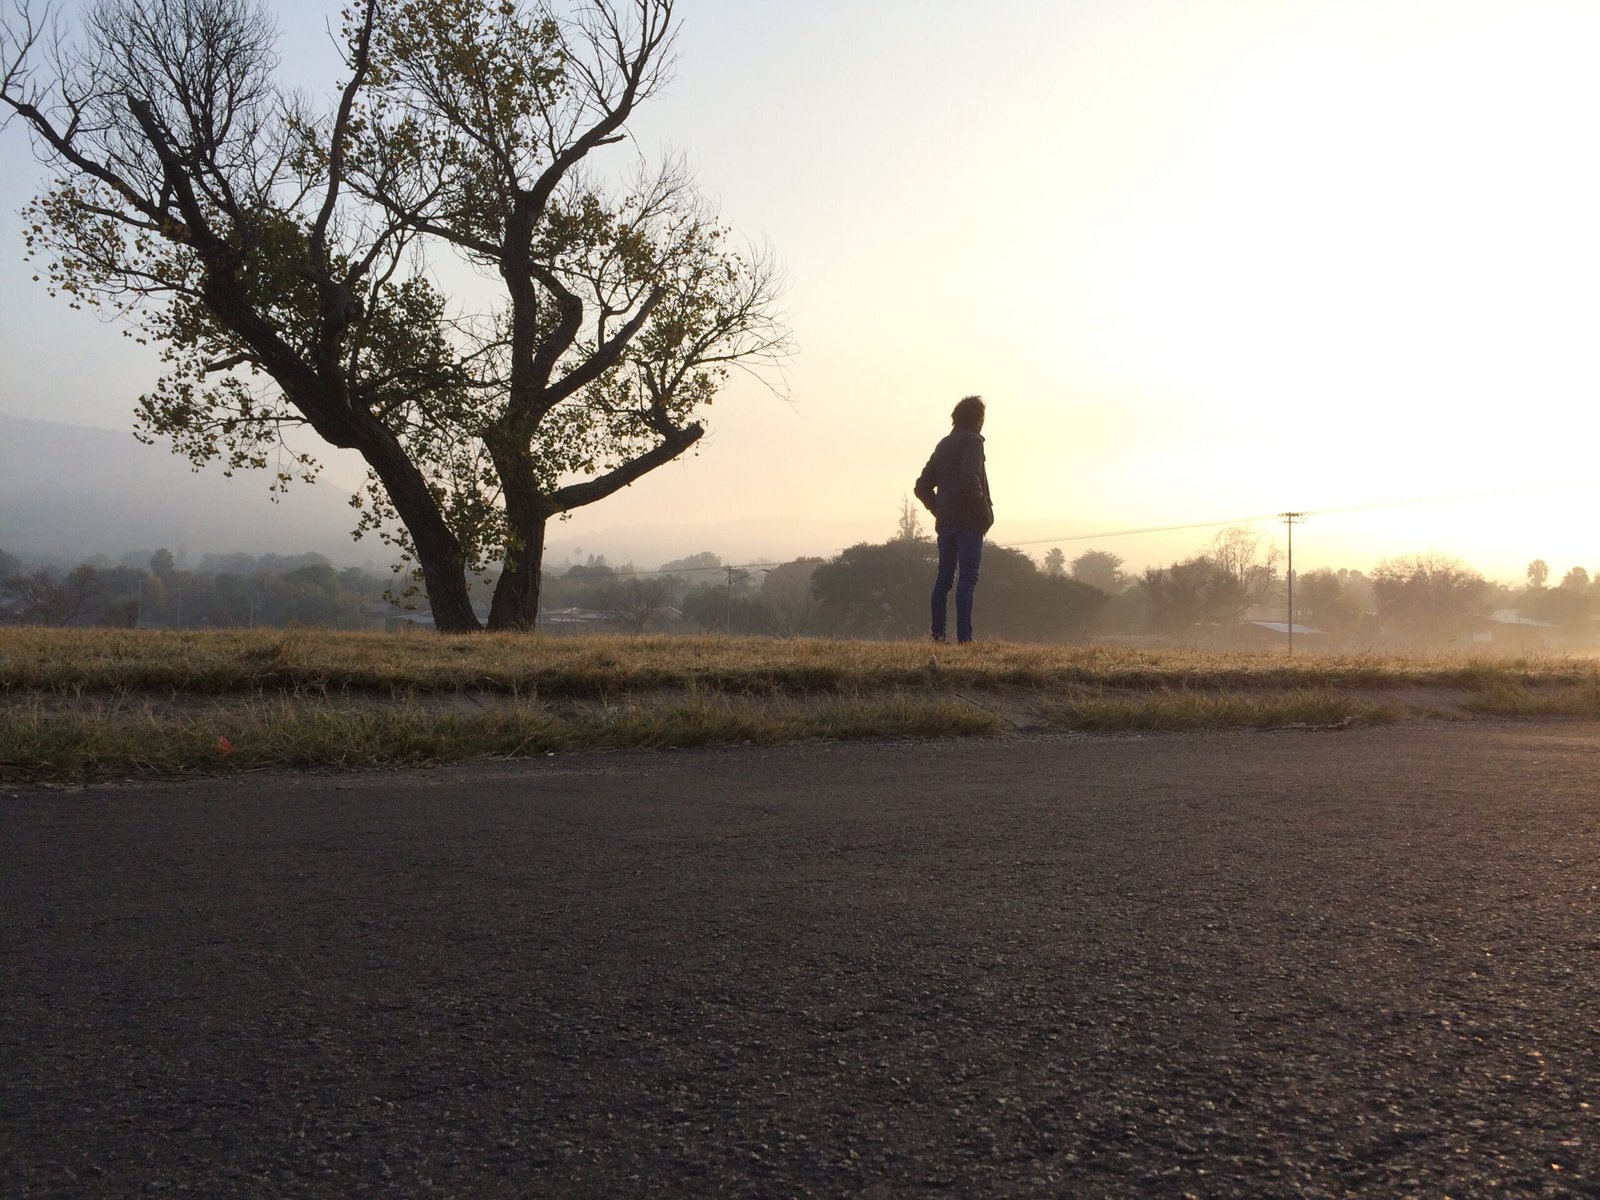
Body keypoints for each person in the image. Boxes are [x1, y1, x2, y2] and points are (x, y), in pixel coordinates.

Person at [913, 395, 994, 644]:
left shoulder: (943, 444)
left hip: (946, 524)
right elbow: (970, 480)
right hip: (969, 522)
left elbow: (921, 487)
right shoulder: (972, 441)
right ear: (978, 419)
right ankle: (965, 639)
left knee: (944, 579)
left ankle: (938, 636)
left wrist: (940, 510)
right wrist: (984, 513)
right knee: (967, 578)